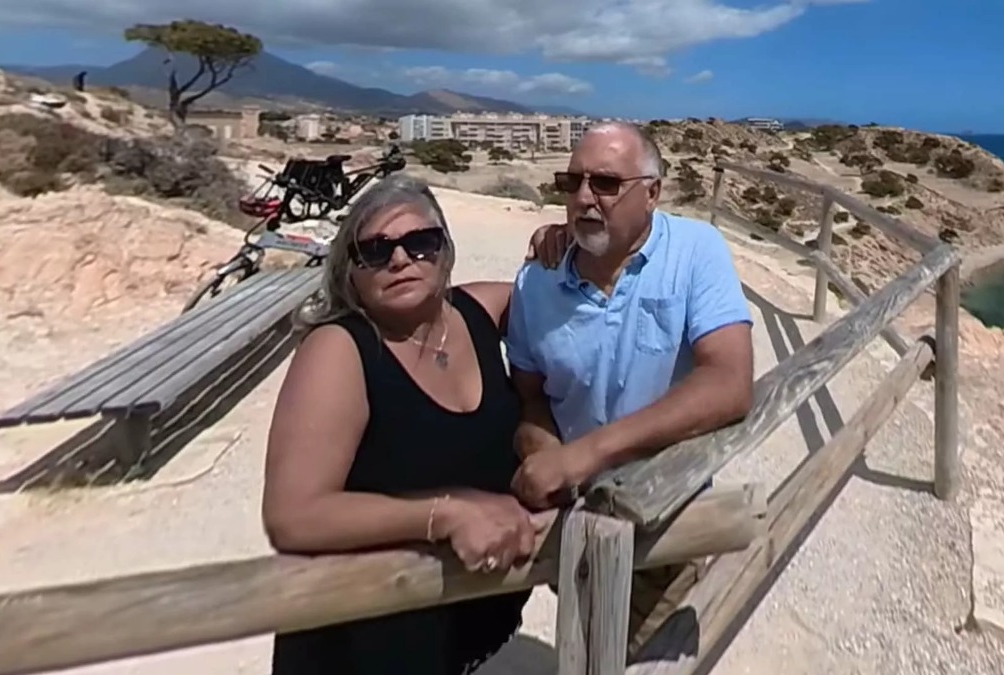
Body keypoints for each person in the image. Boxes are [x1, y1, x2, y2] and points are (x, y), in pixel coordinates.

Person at [262, 174, 540, 675]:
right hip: (359, 646)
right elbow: (293, 515)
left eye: (420, 242)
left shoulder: (482, 311)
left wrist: (556, 238)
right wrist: (446, 515)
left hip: (460, 639)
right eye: (376, 249)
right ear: (351, 271)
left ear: (446, 251)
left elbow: (570, 292)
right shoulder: (339, 351)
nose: (399, 259)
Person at [505, 121, 756, 655]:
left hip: (666, 515)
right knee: (587, 644)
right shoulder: (536, 281)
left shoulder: (694, 252)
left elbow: (730, 381)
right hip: (574, 522)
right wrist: (543, 450)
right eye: (570, 182)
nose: (582, 198)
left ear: (653, 193)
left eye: (605, 184)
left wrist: (585, 455)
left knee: (655, 656)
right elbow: (528, 393)